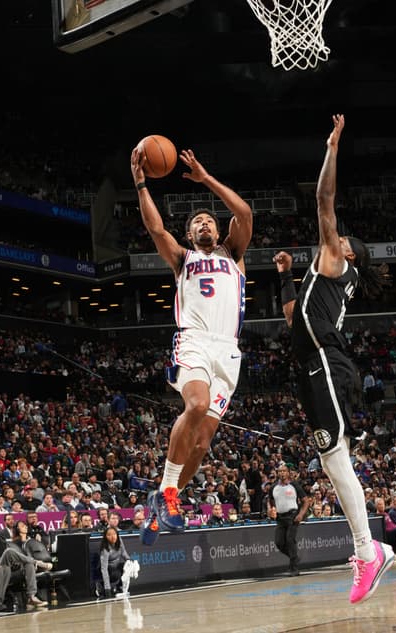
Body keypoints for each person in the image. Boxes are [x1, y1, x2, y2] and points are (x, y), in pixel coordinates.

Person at [273, 114, 392, 604]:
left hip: (326, 361)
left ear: (351, 255)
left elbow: (324, 201)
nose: (337, 238)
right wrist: (282, 276)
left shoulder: (336, 263)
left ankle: (369, 551)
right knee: (331, 457)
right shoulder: (319, 279)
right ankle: (368, 550)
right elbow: (288, 318)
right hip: (310, 362)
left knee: (334, 455)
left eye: (344, 239)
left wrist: (333, 148)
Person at [130, 140, 253, 546]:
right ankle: (167, 492)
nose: (204, 224)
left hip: (229, 352)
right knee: (196, 404)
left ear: (219, 231)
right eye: (197, 222)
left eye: (209, 221)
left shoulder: (234, 254)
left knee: (201, 445)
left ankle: (163, 502)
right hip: (194, 340)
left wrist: (206, 180)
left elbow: (245, 212)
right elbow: (155, 228)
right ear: (189, 233)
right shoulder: (183, 258)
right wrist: (141, 184)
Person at [269, 464, 308, 576]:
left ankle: (294, 568)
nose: (282, 473)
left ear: (288, 472)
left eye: (284, 471)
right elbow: (271, 501)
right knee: (279, 542)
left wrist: (301, 514)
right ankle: (294, 557)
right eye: (279, 471)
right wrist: (271, 509)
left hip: (292, 516)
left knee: (290, 540)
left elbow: (305, 501)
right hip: (280, 517)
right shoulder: (273, 487)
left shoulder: (294, 485)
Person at [97, 527, 131, 599]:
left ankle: (119, 587)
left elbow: (124, 553)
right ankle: (101, 585)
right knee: (116, 574)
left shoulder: (119, 540)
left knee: (127, 567)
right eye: (109, 535)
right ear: (105, 537)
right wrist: (107, 589)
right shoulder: (105, 549)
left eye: (114, 534)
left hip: (116, 567)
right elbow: (104, 569)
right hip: (107, 569)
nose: (113, 537)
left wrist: (130, 561)